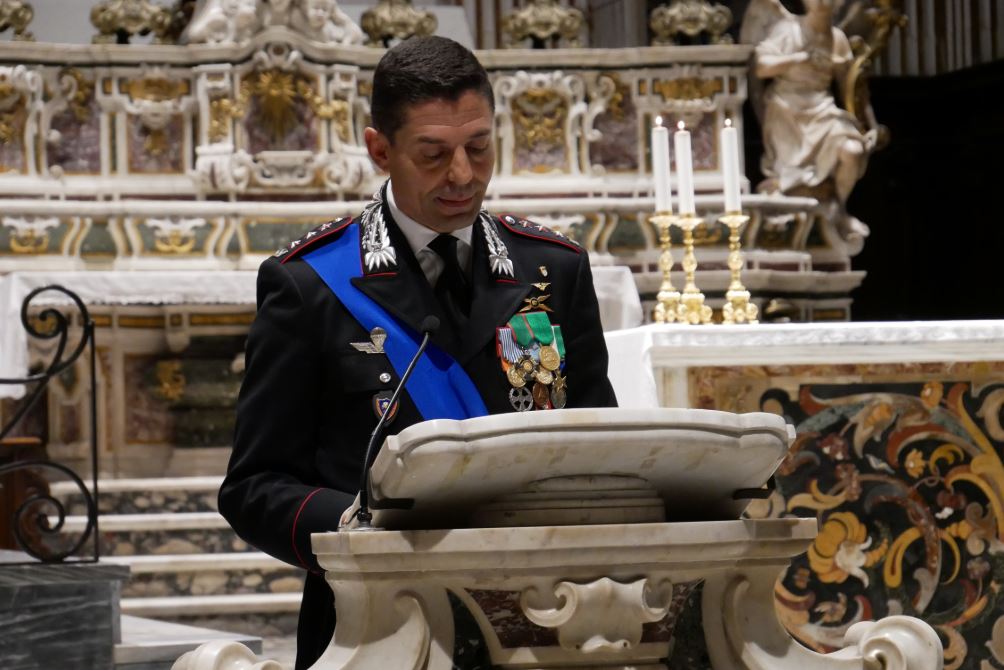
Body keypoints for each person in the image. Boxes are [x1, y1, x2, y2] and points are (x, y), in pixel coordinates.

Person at [219, 35, 617, 670]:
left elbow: (601, 448)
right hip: (377, 623)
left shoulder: (553, 269)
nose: (462, 174)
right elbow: (253, 487)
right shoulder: (312, 284)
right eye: (433, 154)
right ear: (380, 150)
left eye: (479, 147)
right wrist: (359, 527)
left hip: (542, 616)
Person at [753, 0, 877, 240]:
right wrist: (797, 59)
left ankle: (838, 209)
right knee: (789, 174)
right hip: (786, 108)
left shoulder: (837, 38)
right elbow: (761, 67)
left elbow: (852, 88)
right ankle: (791, 204)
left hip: (823, 108)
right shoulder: (788, 29)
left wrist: (868, 125)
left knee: (853, 151)